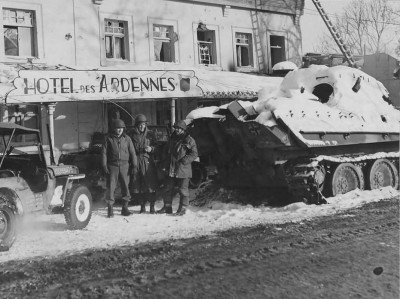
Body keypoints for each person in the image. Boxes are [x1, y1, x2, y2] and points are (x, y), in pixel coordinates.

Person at [157, 120, 198, 216]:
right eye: (176, 128)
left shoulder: (189, 140)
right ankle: (167, 207)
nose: (177, 130)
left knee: (183, 190)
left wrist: (184, 161)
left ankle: (182, 208)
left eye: (179, 129)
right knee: (167, 188)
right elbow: (166, 151)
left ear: (183, 129)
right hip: (171, 168)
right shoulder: (172, 139)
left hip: (183, 169)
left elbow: (194, 153)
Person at [102, 119, 137, 218]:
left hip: (125, 166)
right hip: (112, 166)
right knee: (111, 187)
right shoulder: (108, 139)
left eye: (121, 128)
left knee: (125, 187)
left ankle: (125, 208)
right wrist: (104, 165)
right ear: (114, 129)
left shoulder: (127, 139)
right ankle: (110, 209)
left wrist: (134, 165)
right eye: (117, 128)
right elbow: (104, 153)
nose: (119, 130)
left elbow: (132, 153)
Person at [130, 114, 158, 214]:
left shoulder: (150, 134)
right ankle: (142, 206)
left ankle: (152, 206)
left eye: (144, 124)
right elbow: (129, 148)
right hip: (137, 161)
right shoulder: (132, 135)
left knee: (151, 185)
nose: (142, 126)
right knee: (139, 185)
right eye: (140, 124)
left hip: (148, 161)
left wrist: (151, 149)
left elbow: (157, 147)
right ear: (137, 125)